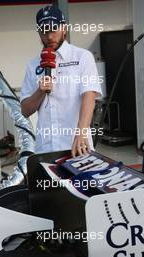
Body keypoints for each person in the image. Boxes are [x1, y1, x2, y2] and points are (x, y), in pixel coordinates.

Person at [21, 5, 102, 157]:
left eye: (53, 29)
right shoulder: (33, 65)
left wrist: (81, 133)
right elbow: (25, 110)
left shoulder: (82, 57)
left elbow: (89, 96)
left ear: (64, 28)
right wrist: (40, 91)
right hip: (45, 149)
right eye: (44, 31)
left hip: (78, 146)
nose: (49, 36)